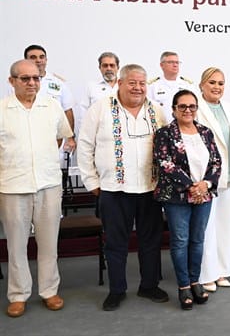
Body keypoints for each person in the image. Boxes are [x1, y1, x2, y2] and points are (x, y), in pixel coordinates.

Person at [78, 64, 168, 311]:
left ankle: (149, 286)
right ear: (120, 82)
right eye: (132, 82)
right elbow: (85, 146)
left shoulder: (157, 110)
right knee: (116, 243)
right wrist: (92, 183)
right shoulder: (101, 109)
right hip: (113, 190)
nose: (138, 88)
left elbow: (168, 145)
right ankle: (117, 290)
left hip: (150, 189)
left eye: (142, 83)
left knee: (150, 241)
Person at [0, 60, 75, 318]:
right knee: (16, 245)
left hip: (48, 184)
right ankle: (18, 295)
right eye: (25, 79)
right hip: (12, 186)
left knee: (48, 242)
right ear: (12, 81)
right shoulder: (2, 109)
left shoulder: (52, 107)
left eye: (35, 78)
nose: (32, 83)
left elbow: (61, 135)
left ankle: (49, 290)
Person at [153, 90, 221, 310]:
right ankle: (183, 286)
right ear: (174, 109)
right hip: (177, 197)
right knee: (180, 241)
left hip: (205, 195)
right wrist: (192, 187)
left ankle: (195, 281)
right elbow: (165, 163)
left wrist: (205, 185)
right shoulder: (164, 133)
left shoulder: (205, 132)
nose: (188, 110)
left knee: (197, 240)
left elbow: (216, 162)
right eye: (182, 106)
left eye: (192, 106)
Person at [197, 68, 230, 292]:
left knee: (225, 226)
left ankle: (223, 271)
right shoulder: (196, 108)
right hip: (207, 177)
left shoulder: (229, 107)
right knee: (207, 227)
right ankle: (207, 274)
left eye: (221, 83)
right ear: (202, 85)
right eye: (212, 82)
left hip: (229, 174)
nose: (217, 87)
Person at [24, 44, 75, 133]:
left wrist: (70, 137)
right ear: (25, 61)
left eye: (41, 57)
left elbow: (68, 111)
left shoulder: (59, 83)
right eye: (33, 57)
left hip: (54, 135)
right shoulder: (17, 83)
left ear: (46, 60)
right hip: (26, 132)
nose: (38, 60)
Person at [148, 51, 197, 121]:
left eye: (177, 62)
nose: (175, 65)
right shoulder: (153, 86)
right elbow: (149, 109)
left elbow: (195, 109)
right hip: (161, 127)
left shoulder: (188, 85)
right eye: (171, 62)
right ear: (161, 65)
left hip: (183, 126)